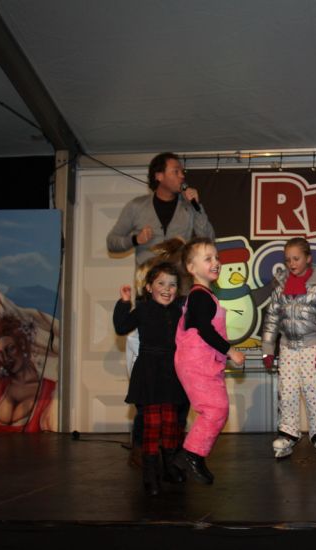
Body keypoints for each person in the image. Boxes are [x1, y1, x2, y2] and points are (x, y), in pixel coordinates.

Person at [106, 152, 214, 467]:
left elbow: (208, 239)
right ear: (158, 175)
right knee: (148, 374)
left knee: (182, 372)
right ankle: (143, 444)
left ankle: (174, 445)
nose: (182, 176)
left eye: (182, 171)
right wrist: (134, 238)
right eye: (176, 171)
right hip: (148, 301)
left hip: (181, 301)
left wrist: (198, 206)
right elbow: (112, 241)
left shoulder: (188, 208)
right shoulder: (136, 207)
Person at [172, 237, 245, 485]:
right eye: (208, 259)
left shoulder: (204, 295)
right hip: (197, 363)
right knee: (215, 409)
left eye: (217, 257)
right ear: (191, 268)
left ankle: (188, 455)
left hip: (200, 363)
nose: (216, 262)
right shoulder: (200, 297)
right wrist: (230, 350)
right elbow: (204, 329)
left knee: (216, 409)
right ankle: (192, 454)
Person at [113, 262, 188, 495]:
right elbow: (121, 327)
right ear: (148, 287)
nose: (167, 289)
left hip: (172, 373)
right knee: (152, 425)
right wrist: (124, 303)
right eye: (161, 283)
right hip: (149, 372)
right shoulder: (143, 309)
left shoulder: (179, 312)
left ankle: (169, 467)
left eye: (172, 285)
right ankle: (149, 474)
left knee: (171, 424)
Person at [261, 238, 316, 460]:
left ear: (308, 258)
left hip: (311, 347)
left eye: (296, 258)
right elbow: (272, 318)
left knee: (313, 390)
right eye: (288, 260)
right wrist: (268, 347)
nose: (292, 263)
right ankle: (288, 433)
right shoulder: (280, 287)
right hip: (287, 347)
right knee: (287, 391)